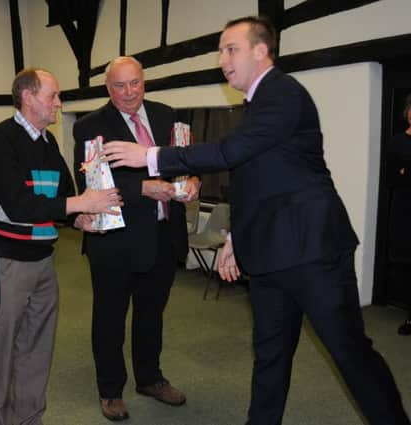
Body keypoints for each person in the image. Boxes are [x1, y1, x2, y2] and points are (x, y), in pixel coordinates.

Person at [102, 16, 410, 425]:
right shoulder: (256, 107)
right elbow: (254, 180)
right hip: (268, 257)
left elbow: (232, 151)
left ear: (262, 51)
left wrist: (151, 156)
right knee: (269, 358)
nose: (222, 59)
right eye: (220, 50)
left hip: (312, 252)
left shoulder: (284, 93)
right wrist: (234, 238)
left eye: (231, 49)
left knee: (350, 352)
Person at [0, 68, 122, 425]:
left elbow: (60, 198)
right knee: (1, 351)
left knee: (37, 350)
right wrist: (80, 205)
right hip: (8, 263)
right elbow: (19, 205)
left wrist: (77, 218)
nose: (59, 103)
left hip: (44, 262)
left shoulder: (48, 142)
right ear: (28, 97)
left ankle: (29, 419)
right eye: (53, 96)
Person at [72, 56, 200, 422]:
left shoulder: (166, 114)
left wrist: (191, 181)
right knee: (109, 319)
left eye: (135, 84)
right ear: (107, 88)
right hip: (115, 241)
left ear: (144, 82)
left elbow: (182, 159)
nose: (129, 93)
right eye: (119, 86)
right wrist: (145, 187)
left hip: (162, 237)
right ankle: (110, 390)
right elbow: (93, 181)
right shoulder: (89, 126)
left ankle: (150, 378)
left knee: (151, 316)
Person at [388, 93, 411, 336]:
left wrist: (407, 170)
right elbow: (392, 177)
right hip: (404, 207)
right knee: (405, 262)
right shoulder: (397, 142)